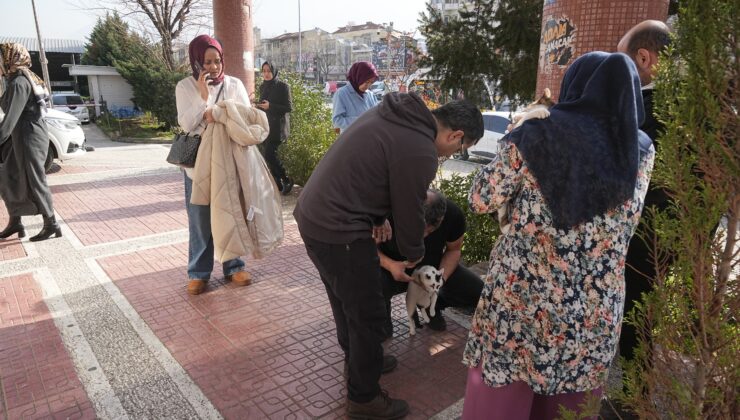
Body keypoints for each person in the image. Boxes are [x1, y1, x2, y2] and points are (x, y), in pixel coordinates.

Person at [461, 52, 655, 419]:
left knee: (498, 406)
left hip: (521, 305)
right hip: (592, 315)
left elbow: (481, 199)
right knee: (570, 410)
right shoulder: (640, 149)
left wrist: (516, 132)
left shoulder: (536, 132)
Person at [294, 92, 483, 419]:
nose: (455, 152)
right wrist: (415, 257)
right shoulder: (421, 149)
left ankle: (360, 363)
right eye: (460, 148)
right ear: (455, 135)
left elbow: (373, 172)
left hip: (315, 217)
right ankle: (364, 399)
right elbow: (411, 212)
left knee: (346, 303)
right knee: (367, 315)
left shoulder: (394, 114)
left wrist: (378, 217)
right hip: (339, 228)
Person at [175, 35, 252, 295]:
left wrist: (220, 115)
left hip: (228, 160)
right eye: (207, 62)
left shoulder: (234, 84)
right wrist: (203, 96)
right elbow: (187, 124)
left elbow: (244, 117)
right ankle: (198, 272)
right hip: (197, 164)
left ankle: (234, 265)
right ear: (196, 61)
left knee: (231, 212)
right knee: (199, 218)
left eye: (217, 61)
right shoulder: (185, 87)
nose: (213, 67)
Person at [616, 19, 672, 365]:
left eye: (621, 63)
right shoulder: (693, 107)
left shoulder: (646, 112)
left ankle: (633, 402)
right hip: (676, 236)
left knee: (635, 313)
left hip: (645, 235)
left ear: (643, 59)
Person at [379, 189, 484, 336]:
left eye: (428, 232)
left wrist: (440, 280)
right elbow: (366, 247)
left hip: (431, 270)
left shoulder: (453, 215)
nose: (421, 238)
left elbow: (454, 250)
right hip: (391, 269)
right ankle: (381, 319)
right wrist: (390, 265)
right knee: (374, 291)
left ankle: (431, 305)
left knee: (480, 293)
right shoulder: (388, 211)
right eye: (416, 231)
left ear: (440, 220)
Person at [0, 42, 61, 242]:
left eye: (2, 57)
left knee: (35, 179)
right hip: (18, 136)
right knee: (8, 176)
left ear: (11, 57)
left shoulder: (20, 82)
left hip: (29, 136)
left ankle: (51, 223)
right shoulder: (13, 80)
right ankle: (15, 221)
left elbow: (11, 117)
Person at [256, 61, 293, 195]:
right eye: (264, 71)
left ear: (274, 71)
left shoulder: (283, 86)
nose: (266, 74)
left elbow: (288, 108)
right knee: (268, 155)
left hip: (278, 128)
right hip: (266, 126)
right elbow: (263, 104)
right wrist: (257, 106)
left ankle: (286, 179)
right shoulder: (262, 87)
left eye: (268, 71)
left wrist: (270, 106)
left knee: (270, 154)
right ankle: (277, 183)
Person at [332, 61, 379, 133]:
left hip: (369, 139)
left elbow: (376, 116)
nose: (368, 85)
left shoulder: (370, 95)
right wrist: (361, 121)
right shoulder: (341, 94)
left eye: (371, 82)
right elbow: (337, 121)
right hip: (350, 140)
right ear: (358, 77)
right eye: (366, 82)